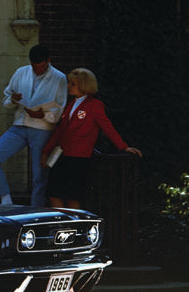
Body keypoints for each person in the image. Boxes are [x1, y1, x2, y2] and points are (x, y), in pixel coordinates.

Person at [40, 67, 142, 209]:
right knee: (53, 193)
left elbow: (107, 127)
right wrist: (46, 151)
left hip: (79, 158)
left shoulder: (94, 105)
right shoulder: (70, 104)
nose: (69, 87)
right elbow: (60, 131)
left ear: (84, 84)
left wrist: (123, 147)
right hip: (63, 155)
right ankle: (62, 225)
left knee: (72, 197)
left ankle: (74, 228)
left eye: (73, 84)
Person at [0, 44, 67, 206]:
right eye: (35, 67)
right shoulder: (21, 72)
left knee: (38, 177)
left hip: (42, 128)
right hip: (20, 124)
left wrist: (44, 115)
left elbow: (60, 107)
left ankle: (35, 214)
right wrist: (13, 100)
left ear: (49, 61)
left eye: (42, 67)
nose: (38, 70)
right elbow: (7, 98)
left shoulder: (59, 77)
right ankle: (5, 199)